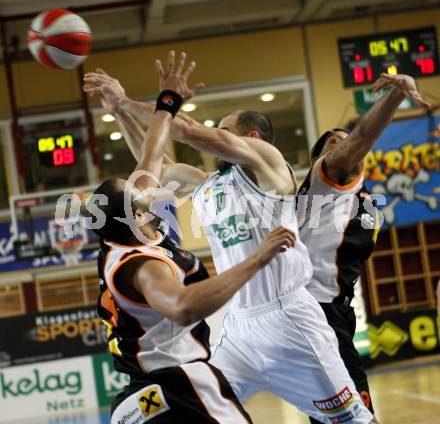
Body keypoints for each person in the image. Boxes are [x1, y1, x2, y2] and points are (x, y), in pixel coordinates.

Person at [84, 54, 375, 423]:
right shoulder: (208, 184)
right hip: (237, 325)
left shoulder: (270, 168)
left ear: (251, 139)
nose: (214, 136)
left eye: (223, 130)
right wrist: (121, 112)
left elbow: (184, 130)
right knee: (205, 398)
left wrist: (137, 103)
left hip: (288, 316)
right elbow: (152, 164)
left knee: (354, 421)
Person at [297, 73, 430, 424]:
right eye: (334, 144)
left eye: (344, 141)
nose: (343, 147)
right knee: (357, 414)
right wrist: (396, 94)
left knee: (332, 416)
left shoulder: (366, 202)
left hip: (336, 312)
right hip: (316, 312)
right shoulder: (324, 182)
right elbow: (364, 135)